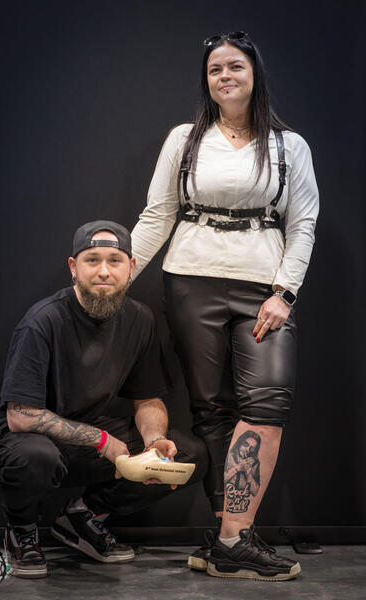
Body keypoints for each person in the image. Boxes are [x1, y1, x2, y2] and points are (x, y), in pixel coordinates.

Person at [131, 31, 319, 581]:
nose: (225, 76)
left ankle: (234, 537)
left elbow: (303, 223)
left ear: (254, 74)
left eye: (235, 66)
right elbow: (157, 215)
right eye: (215, 69)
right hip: (191, 279)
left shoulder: (290, 146)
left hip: (263, 286)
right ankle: (228, 540)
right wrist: (117, 277)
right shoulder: (185, 139)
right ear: (207, 81)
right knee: (210, 407)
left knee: (266, 403)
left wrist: (284, 292)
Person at [0, 220, 207, 579]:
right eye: (92, 260)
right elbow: (21, 416)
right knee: (37, 456)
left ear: (131, 267)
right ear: (74, 267)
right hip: (19, 441)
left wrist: (153, 443)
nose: (103, 271)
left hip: (86, 442)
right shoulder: (43, 320)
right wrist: (102, 441)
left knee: (189, 452)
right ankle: (20, 531)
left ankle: (81, 518)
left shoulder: (139, 319)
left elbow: (147, 399)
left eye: (115, 261)